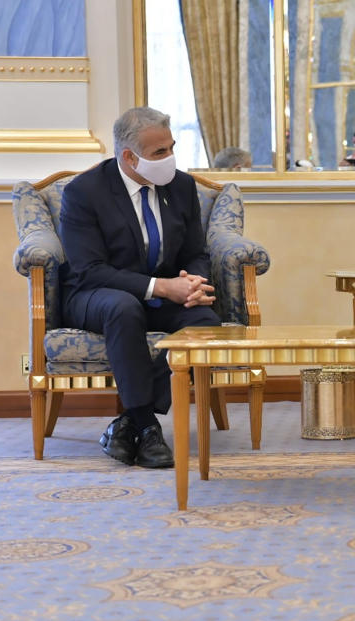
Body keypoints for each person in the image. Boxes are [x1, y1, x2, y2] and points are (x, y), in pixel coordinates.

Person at [59, 106, 221, 468]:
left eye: (171, 147)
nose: (170, 158)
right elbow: (89, 271)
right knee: (123, 307)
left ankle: (129, 421)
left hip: (162, 292)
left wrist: (193, 282)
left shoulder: (181, 186)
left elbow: (196, 252)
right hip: (94, 295)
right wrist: (161, 287)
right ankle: (149, 428)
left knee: (206, 325)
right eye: (159, 153)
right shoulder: (84, 192)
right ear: (129, 157)